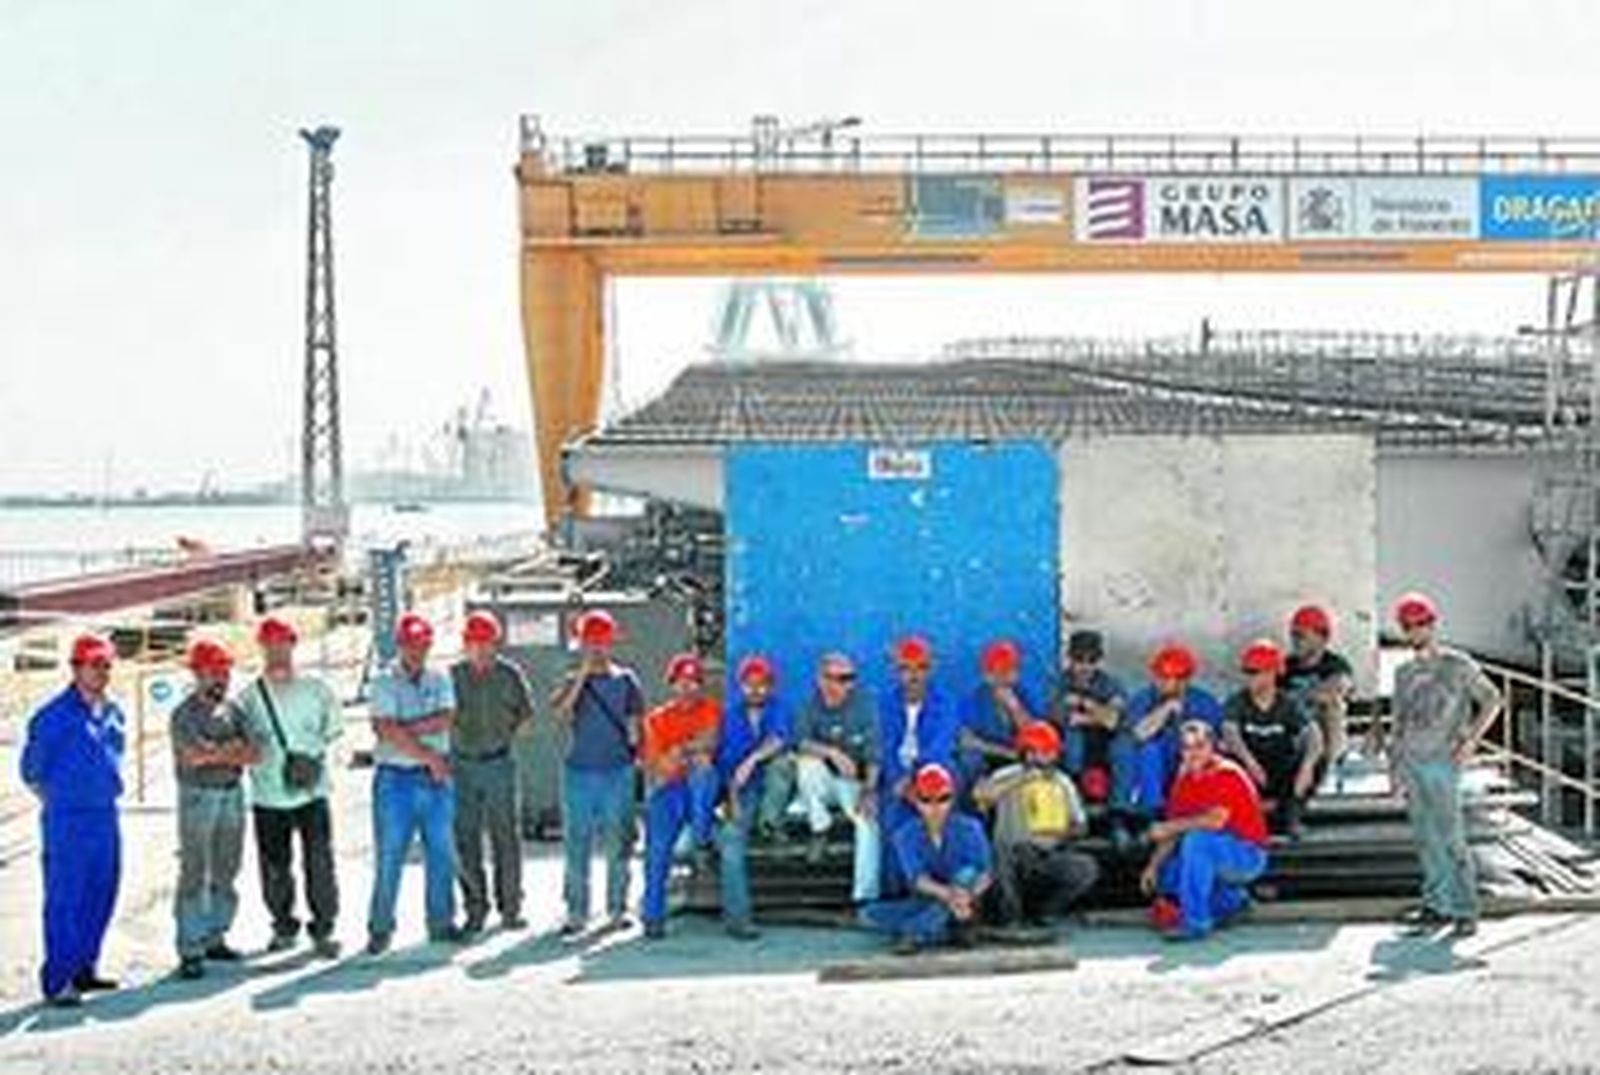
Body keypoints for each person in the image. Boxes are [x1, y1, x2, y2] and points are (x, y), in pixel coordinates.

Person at [1384, 592, 1503, 939]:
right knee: (1426, 837)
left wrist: (1471, 740)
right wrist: (1395, 768)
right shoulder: (1404, 672)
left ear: (1432, 624)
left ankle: (1465, 908)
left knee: (1451, 836)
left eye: (1421, 623)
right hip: (1413, 761)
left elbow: (1493, 699)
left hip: (1443, 761)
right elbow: (1399, 722)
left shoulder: (1458, 664)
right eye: (1408, 625)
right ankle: (1437, 903)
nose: (1415, 631)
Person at [20, 635, 126, 1007]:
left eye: (106, 665)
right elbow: (31, 772)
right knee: (65, 897)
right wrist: (63, 799)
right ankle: (58, 980)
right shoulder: (52, 716)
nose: (102, 672)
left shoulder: (114, 712)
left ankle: (84, 968)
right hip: (68, 820)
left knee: (102, 890)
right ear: (76, 668)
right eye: (94, 664)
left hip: (105, 815)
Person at [239, 616, 343, 958]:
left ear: (293, 645)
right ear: (262, 647)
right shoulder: (249, 697)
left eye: (282, 643)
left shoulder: (317, 689)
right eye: (270, 644)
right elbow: (242, 742)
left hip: (313, 793)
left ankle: (324, 928)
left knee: (320, 863)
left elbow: (333, 731)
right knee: (274, 867)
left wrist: (311, 758)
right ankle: (283, 926)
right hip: (269, 795)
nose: (276, 651)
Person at [366, 612, 460, 954]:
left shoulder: (440, 678)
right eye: (410, 645)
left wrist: (403, 729)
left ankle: (441, 922)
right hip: (396, 779)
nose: (416, 651)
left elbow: (446, 718)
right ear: (400, 645)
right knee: (390, 855)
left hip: (435, 780)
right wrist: (429, 755)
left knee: (442, 853)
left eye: (422, 645)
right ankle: (380, 927)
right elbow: (384, 729)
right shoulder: (382, 682)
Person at [549, 609, 644, 937]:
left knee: (619, 843)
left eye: (602, 642)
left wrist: (637, 760)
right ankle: (577, 912)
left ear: (611, 643)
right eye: (591, 642)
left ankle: (617, 909)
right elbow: (561, 714)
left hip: (618, 772)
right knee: (577, 844)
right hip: (579, 773)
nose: (597, 648)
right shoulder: (571, 680)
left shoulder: (627, 680)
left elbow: (635, 725)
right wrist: (581, 677)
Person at [170, 639, 260, 978]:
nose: (220, 678)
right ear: (197, 674)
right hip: (198, 797)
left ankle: (215, 937)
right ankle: (190, 948)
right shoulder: (184, 715)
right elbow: (193, 757)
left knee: (227, 869)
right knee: (195, 871)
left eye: (224, 671)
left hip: (231, 794)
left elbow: (255, 753)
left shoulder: (234, 710)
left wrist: (216, 751)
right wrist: (231, 749)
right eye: (213, 671)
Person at [1140, 720, 1270, 941]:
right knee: (1166, 878)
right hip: (1216, 851)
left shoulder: (1226, 773)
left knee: (1196, 842)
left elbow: (1215, 821)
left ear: (1212, 747)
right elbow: (1172, 831)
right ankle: (1233, 901)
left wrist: (1168, 827)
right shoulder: (1184, 779)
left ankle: (1196, 923)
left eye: (1199, 746)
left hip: (1247, 854)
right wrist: (1153, 866)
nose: (1193, 753)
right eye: (1187, 747)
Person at [449, 611, 535, 934]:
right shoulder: (452, 677)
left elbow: (527, 717)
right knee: (465, 838)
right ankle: (475, 908)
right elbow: (441, 718)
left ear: (496, 644)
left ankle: (510, 908)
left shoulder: (510, 675)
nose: (482, 649)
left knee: (506, 837)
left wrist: (506, 734)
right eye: (475, 643)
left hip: (499, 763)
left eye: (487, 643)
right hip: (462, 765)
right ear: (465, 644)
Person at [974, 721, 1099, 930]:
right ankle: (1011, 918)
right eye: (1037, 752)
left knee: (1085, 868)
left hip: (1044, 854)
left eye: (1049, 752)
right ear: (1026, 753)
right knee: (1000, 855)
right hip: (1011, 854)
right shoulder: (1007, 775)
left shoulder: (1062, 782)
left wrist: (1060, 832)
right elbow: (982, 796)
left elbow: (1081, 826)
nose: (1044, 757)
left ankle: (1045, 912)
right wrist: (1022, 780)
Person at [862, 763, 994, 955]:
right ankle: (949, 927)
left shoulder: (971, 828)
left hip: (970, 897)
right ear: (915, 800)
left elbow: (986, 874)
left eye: (942, 799)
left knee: (965, 875)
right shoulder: (905, 835)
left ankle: (919, 932)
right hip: (932, 898)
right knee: (869, 914)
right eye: (927, 800)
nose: (935, 807)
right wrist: (949, 896)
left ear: (952, 799)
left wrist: (967, 895)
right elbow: (917, 879)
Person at [640, 652, 721, 940]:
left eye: (693, 681)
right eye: (681, 681)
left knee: (704, 772)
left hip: (700, 790)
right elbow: (660, 768)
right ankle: (653, 916)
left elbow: (710, 743)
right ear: (672, 684)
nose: (687, 687)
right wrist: (691, 750)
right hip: (668, 791)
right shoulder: (656, 719)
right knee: (657, 851)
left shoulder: (711, 709)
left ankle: (700, 841)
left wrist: (678, 750)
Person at [793, 651, 882, 903]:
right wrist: (832, 752)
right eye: (832, 678)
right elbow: (799, 743)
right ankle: (820, 827)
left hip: (854, 783)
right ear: (820, 679)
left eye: (847, 678)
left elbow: (875, 754)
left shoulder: (865, 707)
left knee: (868, 824)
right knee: (806, 763)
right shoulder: (808, 706)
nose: (839, 684)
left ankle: (864, 897)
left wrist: (869, 790)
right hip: (820, 784)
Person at [715, 654, 792, 939]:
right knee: (731, 842)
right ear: (741, 686)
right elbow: (726, 767)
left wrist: (752, 760)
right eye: (750, 684)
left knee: (782, 763)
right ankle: (738, 920)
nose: (756, 689)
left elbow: (779, 740)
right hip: (743, 792)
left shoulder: (779, 708)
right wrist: (732, 801)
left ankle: (770, 822)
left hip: (778, 790)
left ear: (771, 686)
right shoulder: (730, 716)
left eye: (762, 684)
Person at [877, 636, 961, 893]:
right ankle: (894, 893)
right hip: (896, 778)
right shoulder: (885, 703)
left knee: (938, 815)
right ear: (896, 671)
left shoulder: (945, 702)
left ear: (931, 669)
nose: (913, 676)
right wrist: (897, 780)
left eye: (921, 668)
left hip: (933, 773)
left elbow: (939, 748)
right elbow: (884, 748)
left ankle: (946, 889)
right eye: (906, 668)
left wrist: (912, 778)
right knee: (893, 821)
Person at [1221, 639, 1325, 839]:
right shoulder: (1238, 701)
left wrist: (1307, 766)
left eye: (1255, 672)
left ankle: (1291, 815)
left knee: (1315, 759)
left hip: (1280, 767)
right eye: (1247, 672)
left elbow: (1314, 735)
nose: (1249, 678)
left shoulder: (1288, 702)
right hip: (1251, 767)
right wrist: (1249, 761)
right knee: (1225, 760)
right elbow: (1230, 732)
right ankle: (1245, 815)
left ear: (1271, 674)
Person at [1126, 643, 1224, 823]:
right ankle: (1154, 814)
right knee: (1149, 751)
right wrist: (1166, 709)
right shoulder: (1143, 698)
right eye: (1162, 677)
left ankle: (1196, 810)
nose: (1167, 683)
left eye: (1177, 678)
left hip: (1193, 764)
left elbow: (1214, 741)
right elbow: (1139, 734)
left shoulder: (1204, 702)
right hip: (1160, 768)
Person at [957, 641, 1041, 790]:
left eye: (1011, 671)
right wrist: (1008, 753)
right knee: (969, 759)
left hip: (1023, 758)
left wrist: (1015, 709)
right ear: (987, 675)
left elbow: (1036, 739)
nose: (1006, 678)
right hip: (990, 759)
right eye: (1000, 673)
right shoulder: (976, 699)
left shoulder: (1023, 694)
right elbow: (967, 741)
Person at [1282, 605, 1356, 771]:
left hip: (1323, 732)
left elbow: (1339, 687)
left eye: (1301, 636)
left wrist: (1303, 697)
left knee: (1332, 707)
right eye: (1293, 635)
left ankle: (1329, 768)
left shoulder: (1335, 664)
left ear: (1321, 638)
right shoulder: (1286, 667)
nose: (1295, 641)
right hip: (1297, 731)